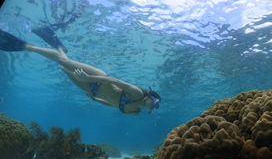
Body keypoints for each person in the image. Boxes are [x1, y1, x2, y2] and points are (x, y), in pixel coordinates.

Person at [0, 27, 161, 115]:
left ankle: (60, 47)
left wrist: (95, 100)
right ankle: (25, 46)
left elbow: (113, 105)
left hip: (91, 90)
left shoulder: (135, 111)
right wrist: (88, 77)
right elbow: (116, 81)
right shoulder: (137, 93)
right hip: (97, 78)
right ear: (150, 97)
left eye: (155, 107)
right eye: (155, 103)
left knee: (64, 67)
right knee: (63, 61)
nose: (153, 107)